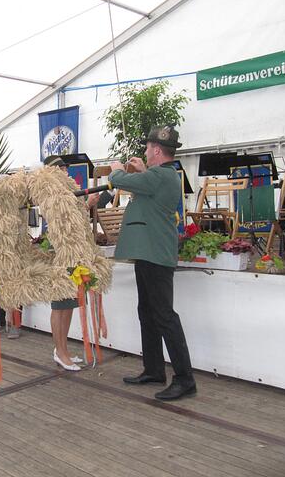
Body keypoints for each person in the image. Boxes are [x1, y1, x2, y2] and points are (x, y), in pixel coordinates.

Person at [109, 125, 196, 401]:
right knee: (147, 312)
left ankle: (185, 379)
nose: (145, 152)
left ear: (157, 150)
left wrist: (116, 169)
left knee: (164, 316)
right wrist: (143, 171)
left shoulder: (161, 175)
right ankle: (154, 369)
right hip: (149, 254)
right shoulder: (161, 175)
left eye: (148, 148)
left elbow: (121, 180)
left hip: (155, 255)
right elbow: (148, 186)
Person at [42, 156, 100, 371]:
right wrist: (86, 206)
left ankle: (62, 350)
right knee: (60, 306)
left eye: (65, 168)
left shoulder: (66, 191)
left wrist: (86, 205)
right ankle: (60, 352)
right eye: (60, 168)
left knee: (68, 305)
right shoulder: (50, 192)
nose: (65, 171)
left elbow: (74, 221)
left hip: (72, 254)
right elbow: (63, 221)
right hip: (61, 254)